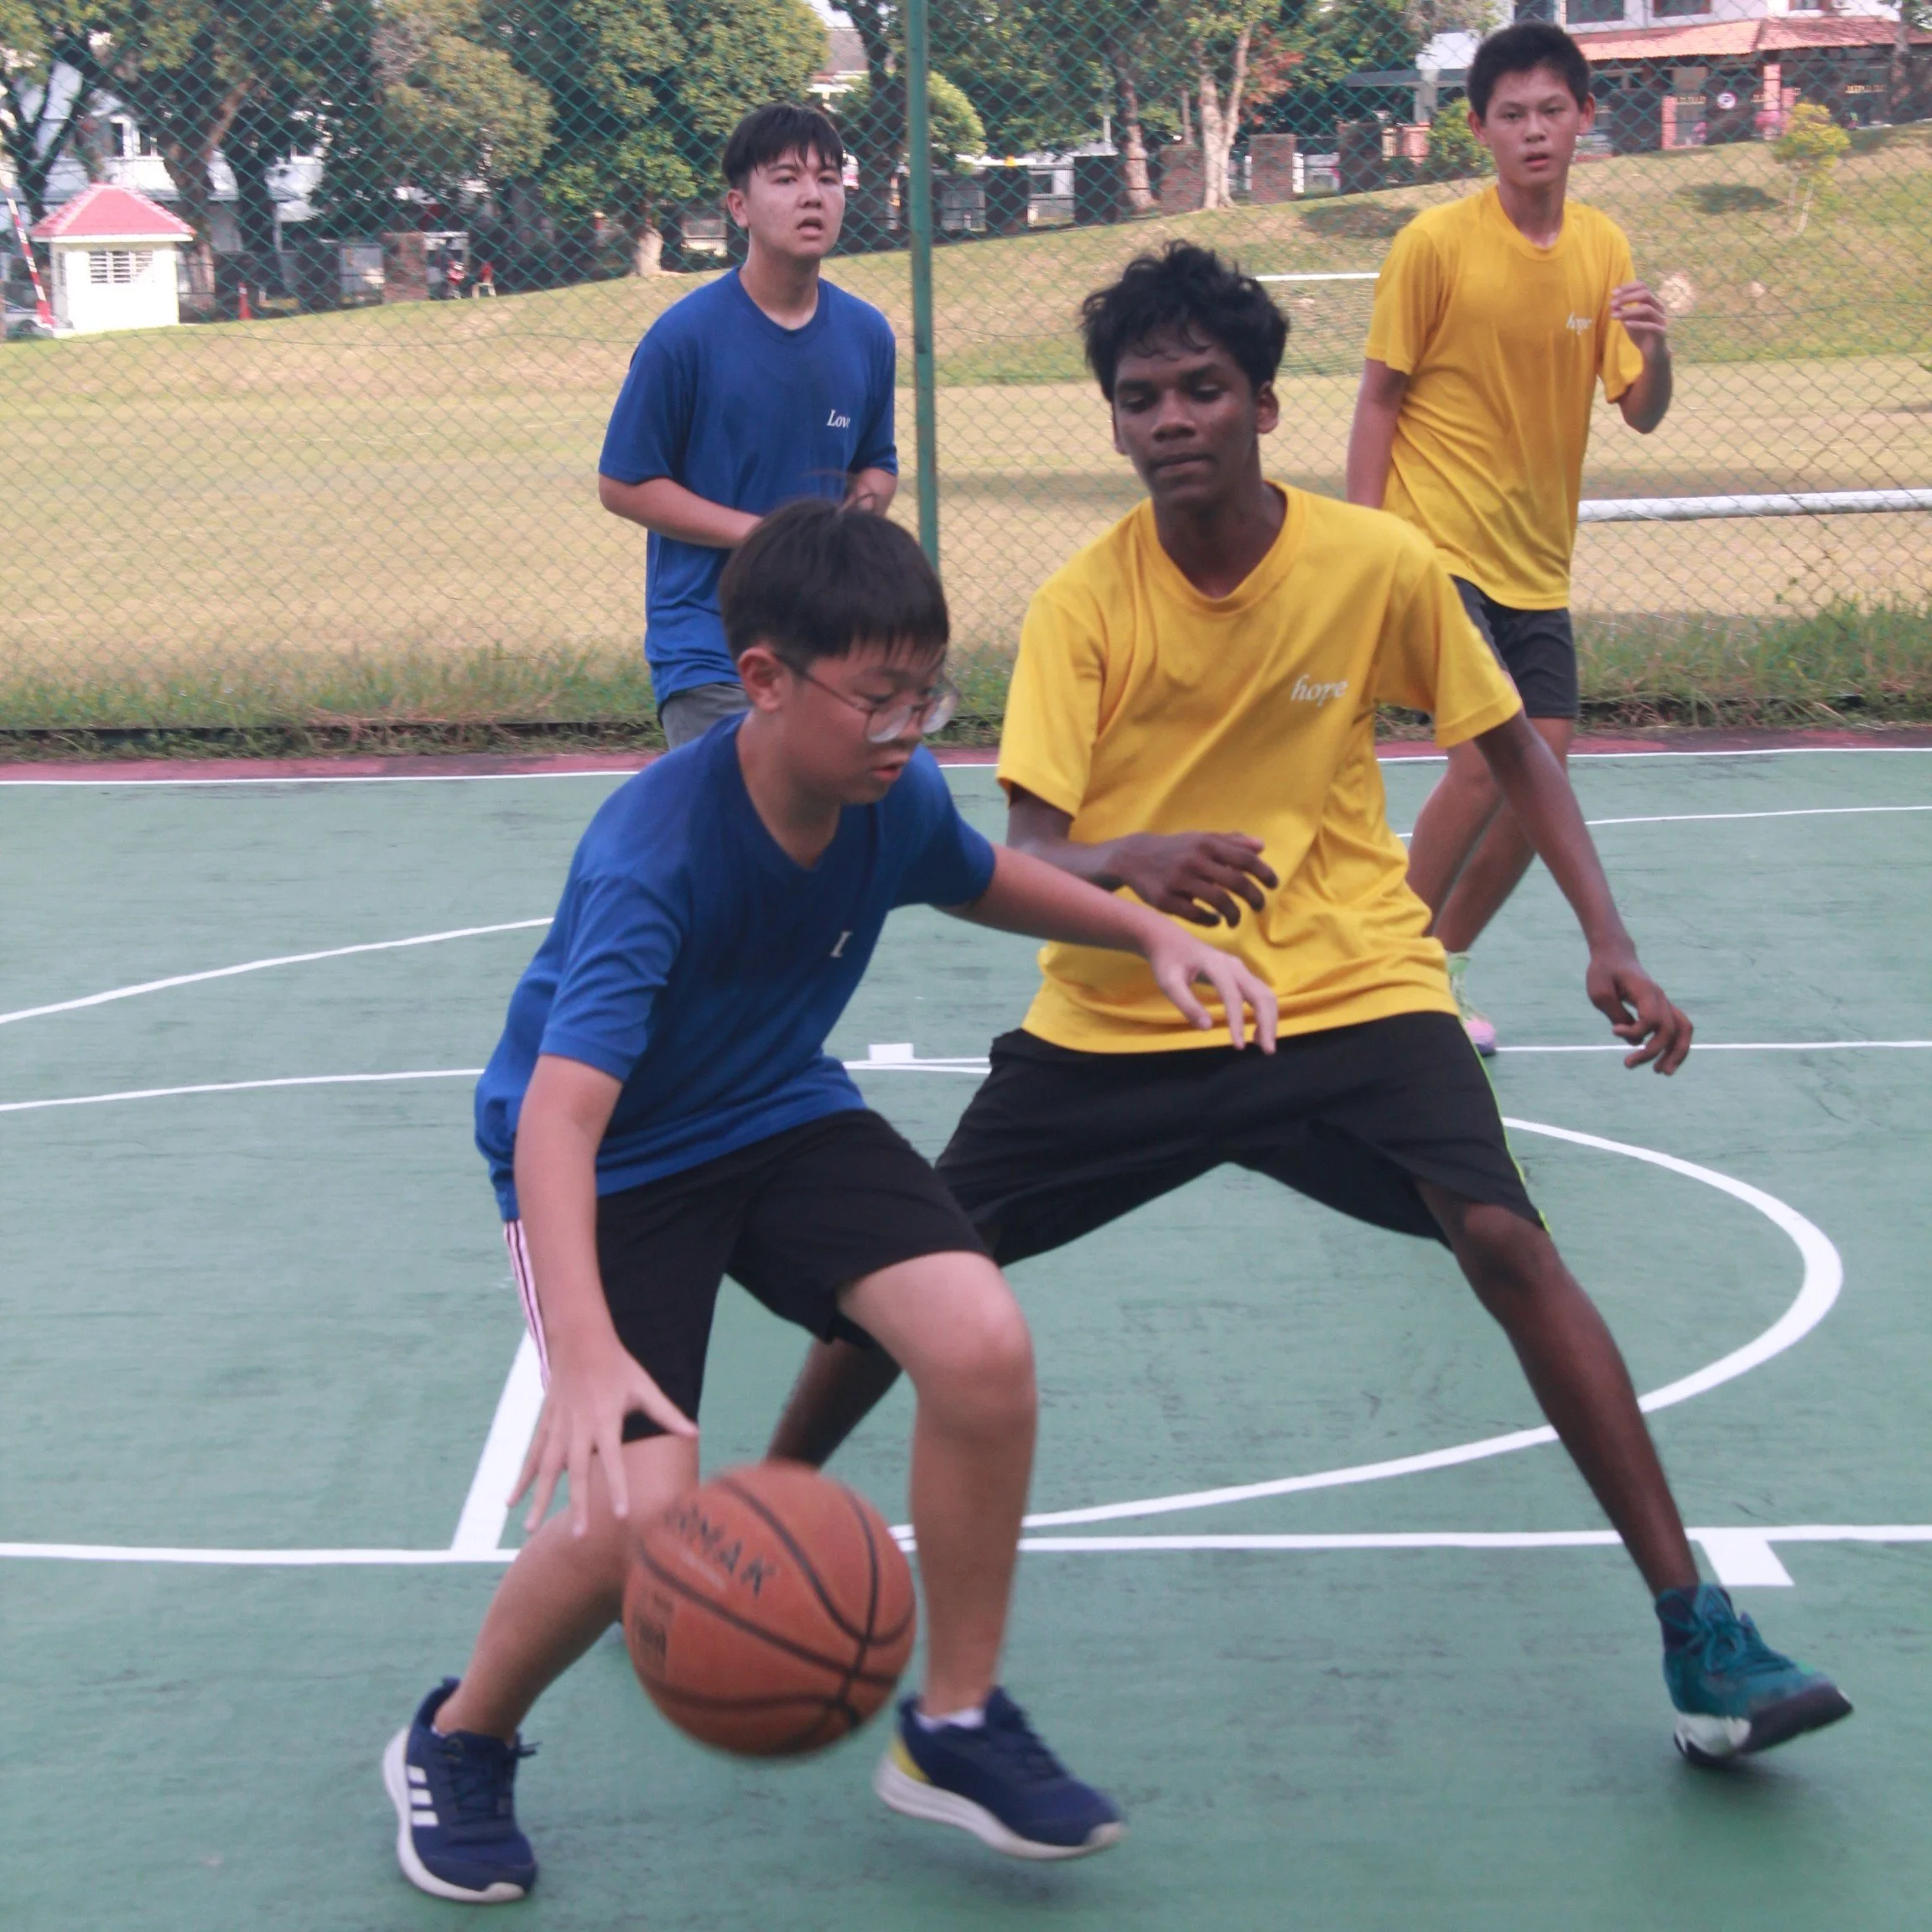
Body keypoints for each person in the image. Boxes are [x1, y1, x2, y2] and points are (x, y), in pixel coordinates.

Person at [769, 243, 1851, 1774]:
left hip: (1347, 983)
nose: (1168, 418)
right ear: (1114, 424)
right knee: (929, 1264)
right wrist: (1132, 863)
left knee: (1503, 1239)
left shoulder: (1374, 563)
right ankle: (752, 1508)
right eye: (1137, 397)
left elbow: (1512, 746)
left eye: (1199, 386)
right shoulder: (1087, 603)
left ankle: (1698, 1631)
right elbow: (1023, 854)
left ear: (1263, 404)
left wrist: (1604, 937)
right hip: (1123, 1006)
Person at [383, 498, 1280, 1903]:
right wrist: (587, 1344)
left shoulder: (888, 795)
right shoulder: (653, 855)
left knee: (979, 1338)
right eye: (876, 697)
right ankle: (456, 1734)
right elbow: (561, 1115)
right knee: (631, 1510)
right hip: (616, 1161)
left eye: (925, 694)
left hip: (777, 1110)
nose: (906, 728)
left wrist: (1146, 926)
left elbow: (985, 876)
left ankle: (956, 1723)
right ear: (760, 678)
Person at [1346, 21, 1675, 1054]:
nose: (1534, 131)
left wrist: (1659, 349)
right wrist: (1362, 548)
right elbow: (1376, 399)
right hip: (1433, 547)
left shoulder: (1603, 249)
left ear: (1585, 118)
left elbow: (1642, 411)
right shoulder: (1434, 246)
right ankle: (1372, 972)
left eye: (1552, 111)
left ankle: (1433, 969)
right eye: (1511, 115)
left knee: (1544, 789)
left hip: (1538, 565)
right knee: (1492, 766)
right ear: (1479, 129)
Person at [598, 102, 897, 750]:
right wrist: (768, 540)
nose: (812, 196)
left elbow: (878, 460)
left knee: (840, 835)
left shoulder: (867, 334)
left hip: (825, 642)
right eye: (786, 179)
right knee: (743, 833)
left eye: (827, 178)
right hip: (711, 647)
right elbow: (624, 484)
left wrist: (844, 533)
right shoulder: (684, 338)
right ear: (739, 207)